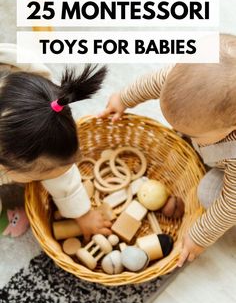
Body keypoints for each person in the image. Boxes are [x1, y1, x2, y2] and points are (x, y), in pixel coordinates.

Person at [99, 33, 236, 266]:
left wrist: (200, 235)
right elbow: (153, 83)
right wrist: (123, 98)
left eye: (194, 134)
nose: (175, 130)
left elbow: (230, 203)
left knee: (207, 193)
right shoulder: (184, 81)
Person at [0, 43, 111, 240]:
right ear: (7, 169)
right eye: (43, 175)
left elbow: (61, 174)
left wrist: (82, 214)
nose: (55, 176)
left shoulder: (46, 102)